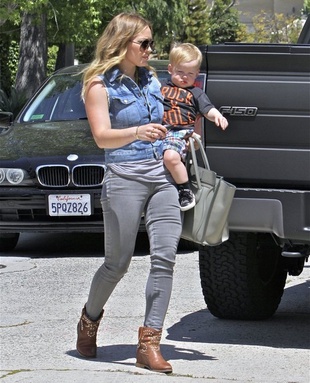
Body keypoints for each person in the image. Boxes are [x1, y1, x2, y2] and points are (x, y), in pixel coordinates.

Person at [76, 12, 182, 374]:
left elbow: (164, 124)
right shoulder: (98, 85)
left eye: (152, 43)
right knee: (117, 264)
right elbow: (101, 137)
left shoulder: (152, 80)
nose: (151, 50)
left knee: (165, 257)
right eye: (144, 43)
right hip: (123, 177)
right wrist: (137, 132)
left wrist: (179, 137)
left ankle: (149, 343)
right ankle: (89, 320)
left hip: (160, 176)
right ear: (122, 43)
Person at [161, 42, 228, 211]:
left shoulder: (196, 93)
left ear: (197, 74)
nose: (184, 77)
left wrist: (217, 116)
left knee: (170, 156)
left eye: (190, 74)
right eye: (180, 72)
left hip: (180, 131)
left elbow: (208, 109)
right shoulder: (160, 88)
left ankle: (184, 190)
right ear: (170, 69)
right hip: (159, 130)